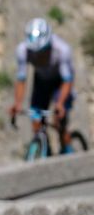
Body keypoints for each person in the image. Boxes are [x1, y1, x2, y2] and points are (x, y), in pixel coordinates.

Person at [9, 17, 76, 153]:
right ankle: (44, 150)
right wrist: (17, 103)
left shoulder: (62, 50)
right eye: (35, 52)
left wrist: (60, 103)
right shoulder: (23, 50)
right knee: (36, 119)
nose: (38, 56)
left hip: (60, 82)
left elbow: (67, 80)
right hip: (41, 81)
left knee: (59, 120)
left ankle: (68, 151)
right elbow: (21, 79)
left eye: (42, 51)